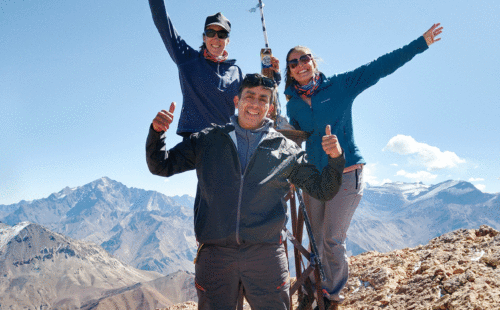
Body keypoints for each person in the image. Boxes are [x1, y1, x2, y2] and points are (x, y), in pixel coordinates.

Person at [146, 73, 345, 310]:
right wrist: (157, 133)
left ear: (270, 108)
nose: (255, 103)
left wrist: (336, 159)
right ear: (236, 101)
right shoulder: (208, 140)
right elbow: (162, 165)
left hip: (266, 258)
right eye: (249, 96)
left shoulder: (287, 151)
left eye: (263, 99)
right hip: (215, 256)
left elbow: (323, 190)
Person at [284, 23, 443, 308]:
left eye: (304, 58)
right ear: (290, 71)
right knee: (315, 240)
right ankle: (311, 288)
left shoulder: (341, 85)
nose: (300, 65)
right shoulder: (293, 104)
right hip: (314, 180)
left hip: (346, 173)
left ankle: (332, 296)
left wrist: (420, 43)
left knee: (332, 239)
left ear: (314, 61)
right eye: (293, 63)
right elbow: (297, 139)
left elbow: (378, 67)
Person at [148, 0, 280, 138]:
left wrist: (274, 75)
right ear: (204, 37)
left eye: (222, 34)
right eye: (211, 33)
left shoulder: (236, 72)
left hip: (226, 142)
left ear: (227, 40)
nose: (216, 38)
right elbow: (162, 23)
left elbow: (258, 95)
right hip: (194, 141)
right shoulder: (187, 58)